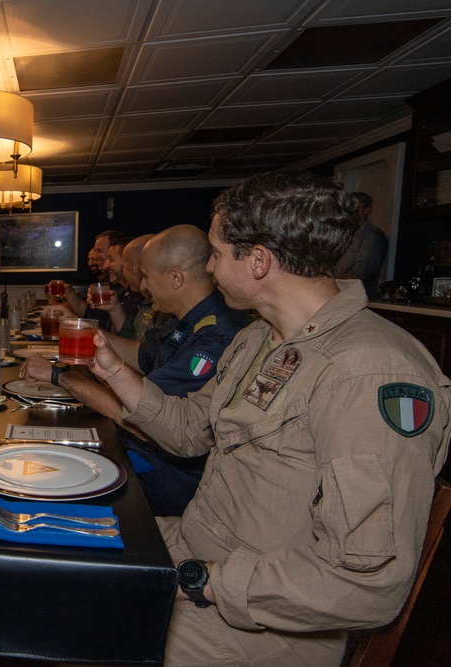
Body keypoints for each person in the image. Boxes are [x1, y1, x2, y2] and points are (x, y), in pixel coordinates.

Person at [90, 172, 451, 666]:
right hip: (198, 548)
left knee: (79, 629)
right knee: (56, 557)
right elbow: (192, 432)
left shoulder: (368, 372)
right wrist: (115, 372)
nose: (210, 268)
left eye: (216, 254)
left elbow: (367, 582)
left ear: (258, 261)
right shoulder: (259, 339)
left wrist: (202, 580)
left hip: (258, 624)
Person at [22, 225, 250, 516]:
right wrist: (86, 334)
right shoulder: (187, 319)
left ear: (176, 278)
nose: (142, 287)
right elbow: (140, 355)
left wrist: (59, 375)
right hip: (145, 455)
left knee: (44, 481)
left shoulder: (215, 335)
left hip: (164, 477)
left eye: (147, 278)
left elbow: (143, 423)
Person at [335, 191, 388, 299]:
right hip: (339, 297)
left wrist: (329, 279)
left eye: (354, 205)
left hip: (359, 300)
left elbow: (359, 276)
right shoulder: (343, 234)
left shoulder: (372, 236)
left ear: (367, 209)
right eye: (348, 205)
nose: (350, 210)